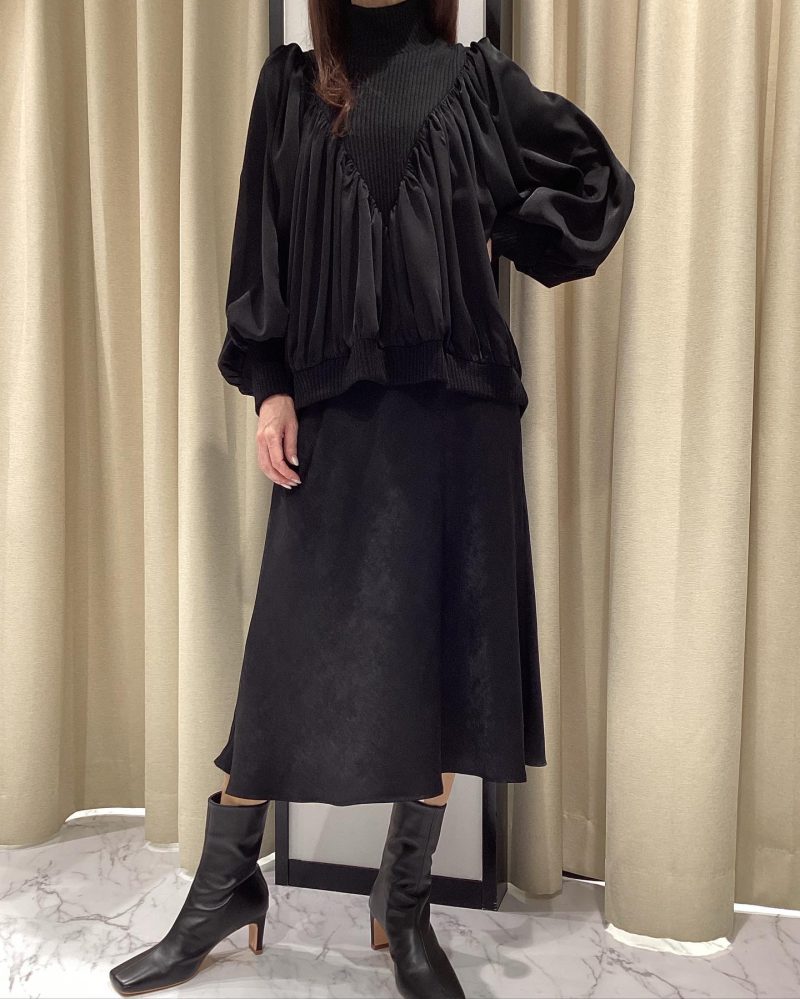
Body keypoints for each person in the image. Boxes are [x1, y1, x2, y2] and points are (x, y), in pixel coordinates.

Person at [108, 0, 635, 996]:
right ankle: (225, 887)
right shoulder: (291, 87)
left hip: (459, 414)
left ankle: (404, 904)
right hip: (335, 412)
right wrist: (269, 385)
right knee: (284, 656)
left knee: (441, 655)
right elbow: (260, 242)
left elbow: (597, 180)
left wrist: (499, 220)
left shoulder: (479, 83)